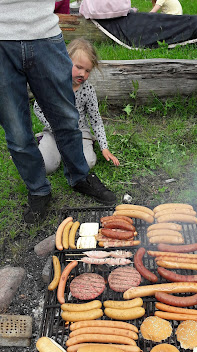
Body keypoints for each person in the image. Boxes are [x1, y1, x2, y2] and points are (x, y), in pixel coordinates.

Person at [0, 0, 117, 225]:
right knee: (16, 130)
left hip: (44, 31)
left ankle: (80, 177)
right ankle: (38, 190)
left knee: (66, 116)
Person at [34, 39, 119, 176]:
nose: (83, 74)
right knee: (46, 166)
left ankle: (85, 145)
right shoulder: (53, 85)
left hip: (79, 132)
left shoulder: (88, 91)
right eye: (78, 67)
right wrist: (54, 127)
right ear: (65, 61)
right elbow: (38, 108)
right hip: (55, 131)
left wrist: (104, 147)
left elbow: (95, 120)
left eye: (87, 71)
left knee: (88, 163)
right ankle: (44, 142)